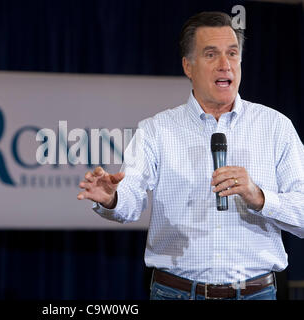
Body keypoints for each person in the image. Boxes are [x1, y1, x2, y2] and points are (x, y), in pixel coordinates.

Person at [77, 11, 304, 300]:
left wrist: (259, 197)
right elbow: (131, 199)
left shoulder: (276, 127)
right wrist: (112, 197)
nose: (225, 65)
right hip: (176, 293)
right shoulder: (156, 130)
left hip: (255, 293)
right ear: (188, 66)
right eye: (211, 55)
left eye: (232, 54)